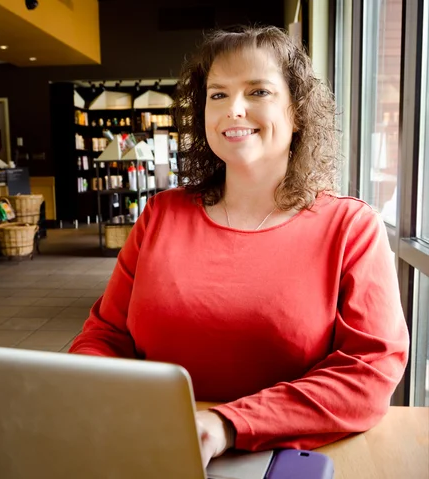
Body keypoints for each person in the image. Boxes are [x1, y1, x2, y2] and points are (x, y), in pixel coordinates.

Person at [69, 26, 409, 467]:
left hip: (288, 456)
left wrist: (226, 424)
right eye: (217, 95)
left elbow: (368, 369)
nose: (234, 109)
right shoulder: (160, 215)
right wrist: (87, 395)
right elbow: (105, 335)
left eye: (258, 91)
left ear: (298, 111)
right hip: (156, 447)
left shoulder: (350, 227)